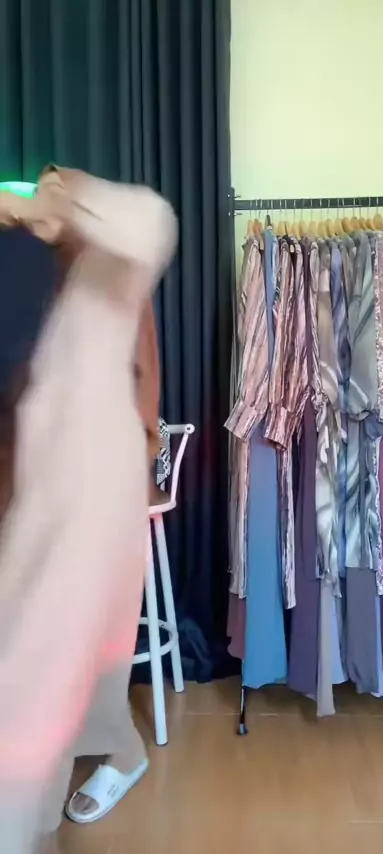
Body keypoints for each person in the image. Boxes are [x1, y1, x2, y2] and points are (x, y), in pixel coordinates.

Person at [0, 168, 177, 853]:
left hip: (95, 491)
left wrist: (50, 203)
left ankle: (37, 813)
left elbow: (147, 223)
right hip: (38, 487)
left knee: (47, 658)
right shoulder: (50, 278)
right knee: (51, 651)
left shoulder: (119, 261)